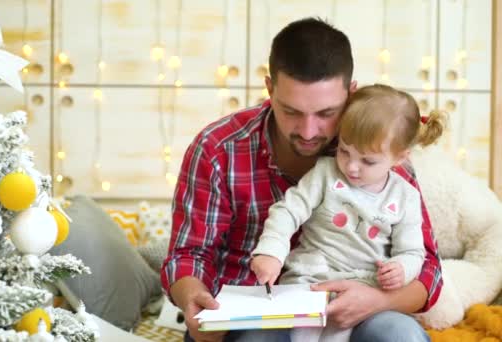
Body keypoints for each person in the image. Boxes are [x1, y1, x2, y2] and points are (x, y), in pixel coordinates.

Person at [161, 17, 443, 342]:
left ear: (350, 94)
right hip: (250, 314)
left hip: (359, 307)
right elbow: (189, 254)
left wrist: (379, 300)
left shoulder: (380, 152)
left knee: (400, 336)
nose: (309, 131)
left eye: (325, 114)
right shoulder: (217, 149)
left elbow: (428, 269)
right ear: (269, 89)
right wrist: (192, 297)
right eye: (291, 111)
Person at [250, 84, 446, 342]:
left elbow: (412, 252)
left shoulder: (405, 197)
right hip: (309, 280)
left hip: (364, 290)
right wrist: (271, 251)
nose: (351, 167)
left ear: (400, 158)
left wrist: (401, 268)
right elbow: (288, 210)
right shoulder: (325, 174)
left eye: (368, 161)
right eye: (344, 151)